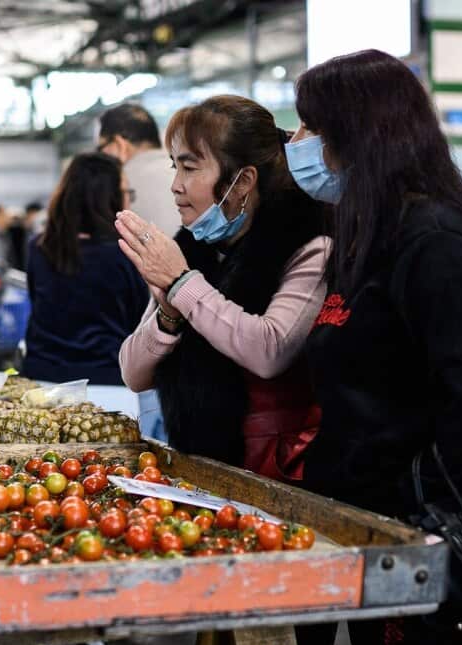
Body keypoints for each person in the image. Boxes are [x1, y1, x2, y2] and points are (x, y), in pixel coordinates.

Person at [290, 49, 462, 645]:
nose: (301, 146)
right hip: (371, 531)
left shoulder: (433, 240)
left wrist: (423, 508)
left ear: (357, 135)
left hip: (419, 543)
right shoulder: (367, 237)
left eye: (313, 130)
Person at [116, 95, 329, 480]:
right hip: (197, 469)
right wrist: (167, 316)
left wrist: (183, 285)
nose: (176, 187)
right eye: (174, 167)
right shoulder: (190, 247)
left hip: (275, 475)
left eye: (190, 168)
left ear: (242, 181)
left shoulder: (308, 244)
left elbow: (270, 350)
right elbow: (133, 373)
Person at [23, 152, 148, 385]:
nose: (129, 200)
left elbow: (35, 302)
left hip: (42, 378)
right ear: (107, 197)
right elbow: (140, 320)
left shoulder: (39, 247)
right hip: (108, 380)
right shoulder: (126, 252)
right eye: (125, 193)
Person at [98, 103, 179, 234]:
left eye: (101, 148)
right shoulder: (183, 174)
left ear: (120, 145)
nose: (100, 156)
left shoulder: (116, 186)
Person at [6, 201, 42, 271]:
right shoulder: (18, 230)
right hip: (19, 268)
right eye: (36, 215)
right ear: (29, 214)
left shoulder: (38, 232)